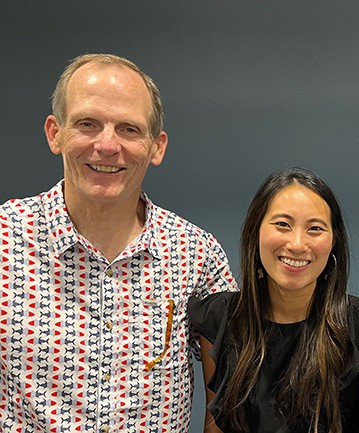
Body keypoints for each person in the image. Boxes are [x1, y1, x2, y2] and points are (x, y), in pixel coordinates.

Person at [0, 54, 238, 432]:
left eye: (129, 129)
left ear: (157, 147)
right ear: (54, 133)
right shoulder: (5, 241)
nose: (108, 145)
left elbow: (231, 401)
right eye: (88, 124)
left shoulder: (196, 255)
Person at [190, 167, 359, 433]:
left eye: (315, 228)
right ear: (255, 232)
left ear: (333, 243)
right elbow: (214, 428)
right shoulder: (219, 320)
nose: (297, 244)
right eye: (282, 224)